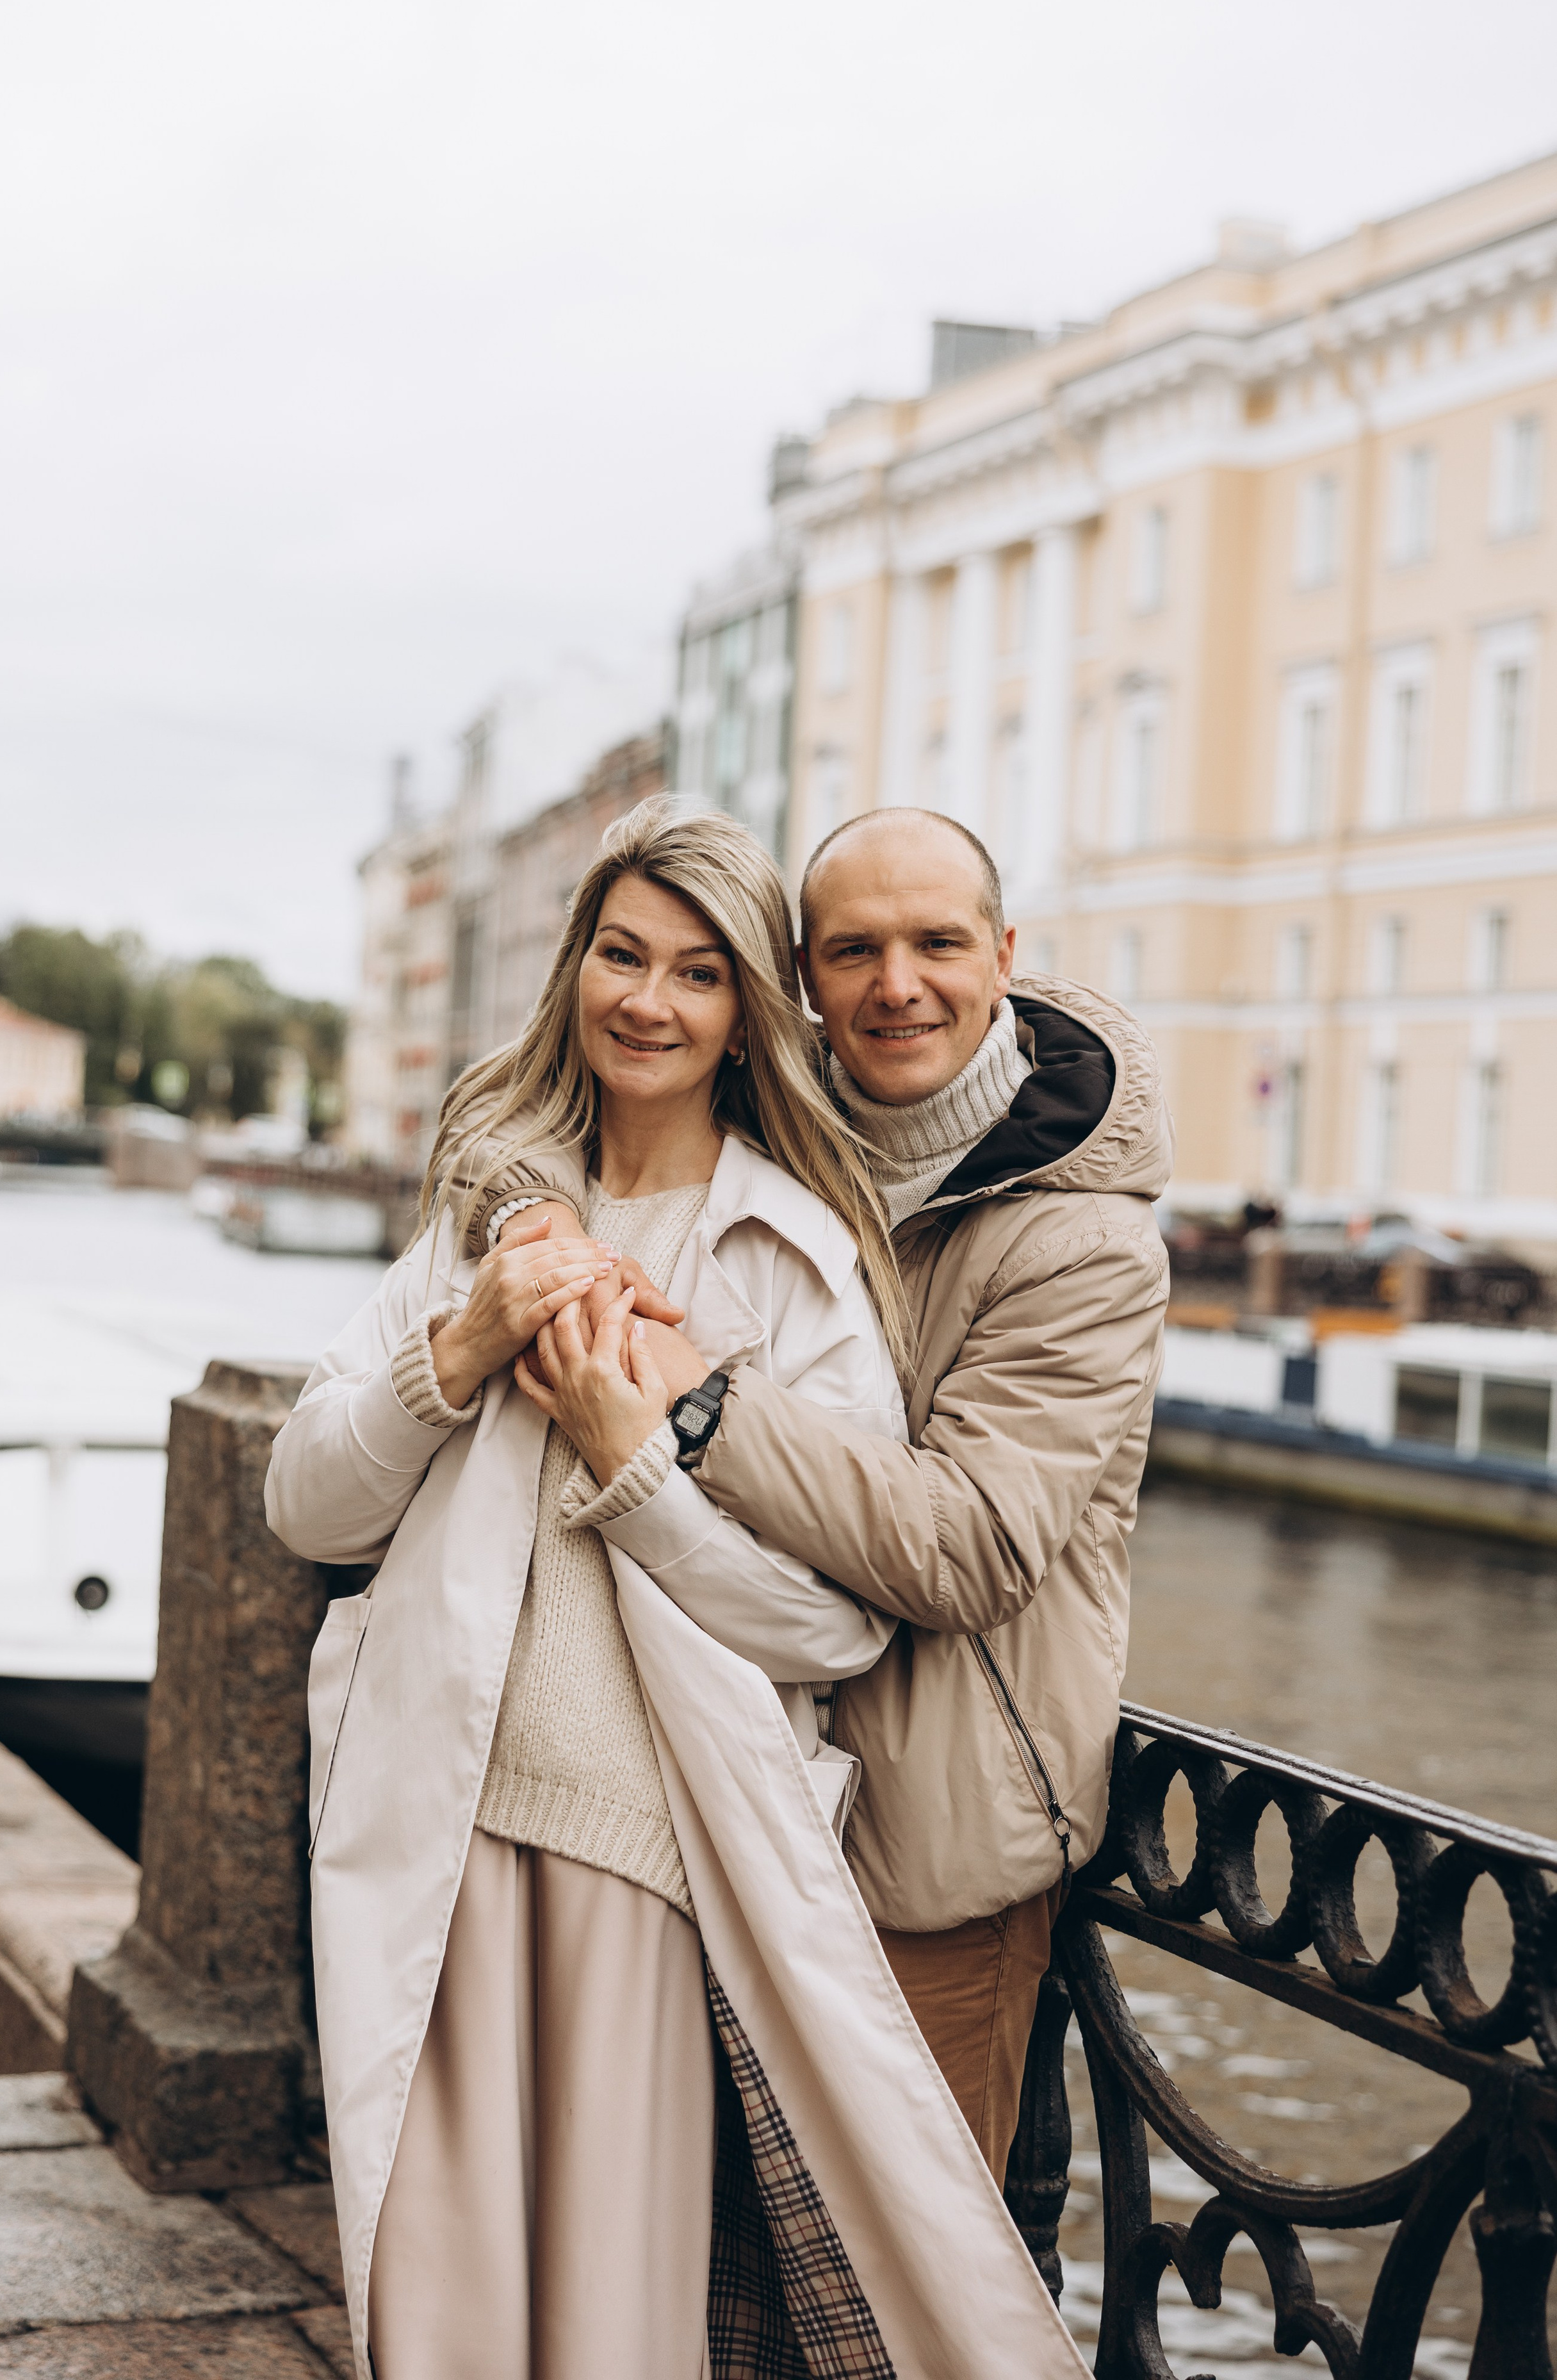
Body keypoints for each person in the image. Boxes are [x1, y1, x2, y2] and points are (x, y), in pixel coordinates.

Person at [265, 798, 1089, 2380]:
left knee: (603, 2322)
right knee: (428, 2312)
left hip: (648, 1862)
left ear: (742, 1017)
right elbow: (307, 1498)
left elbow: (834, 1624)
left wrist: (629, 1462)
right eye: (619, 956)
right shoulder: (481, 1224)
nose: (646, 1000)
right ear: (573, 966)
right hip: (439, 1818)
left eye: (697, 974)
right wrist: (458, 1353)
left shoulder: (789, 1255)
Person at [471, 804, 1172, 2193]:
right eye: (851, 949)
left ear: (1003, 954)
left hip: (932, 1831)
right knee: (712, 2272)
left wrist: (695, 1391)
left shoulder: (1086, 1242)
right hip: (724, 1787)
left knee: (901, 2273)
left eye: (934, 942)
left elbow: (964, 1547)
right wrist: (526, 1224)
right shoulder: (788, 1133)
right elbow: (541, 1114)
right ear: (798, 979)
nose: (894, 984)